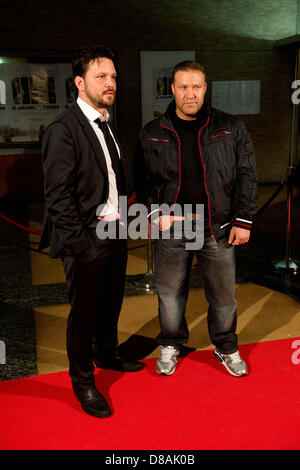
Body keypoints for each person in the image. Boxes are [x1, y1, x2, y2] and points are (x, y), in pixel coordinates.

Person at [39, 46, 145, 418]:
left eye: (113, 76)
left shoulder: (105, 121)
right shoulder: (63, 129)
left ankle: (107, 353)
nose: (111, 82)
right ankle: (83, 381)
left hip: (114, 230)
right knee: (83, 313)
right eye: (102, 76)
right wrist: (81, 246)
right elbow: (57, 197)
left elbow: (110, 179)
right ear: (79, 83)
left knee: (111, 300)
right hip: (85, 237)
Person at [133, 60, 257, 378]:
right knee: (170, 295)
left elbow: (246, 174)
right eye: (183, 86)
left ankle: (226, 346)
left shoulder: (230, 127)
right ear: (172, 89)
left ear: (205, 87)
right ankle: (172, 343)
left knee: (223, 295)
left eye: (197, 86)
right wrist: (152, 211)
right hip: (173, 225)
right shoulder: (151, 133)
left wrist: (243, 219)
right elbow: (141, 179)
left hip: (218, 225)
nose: (191, 93)